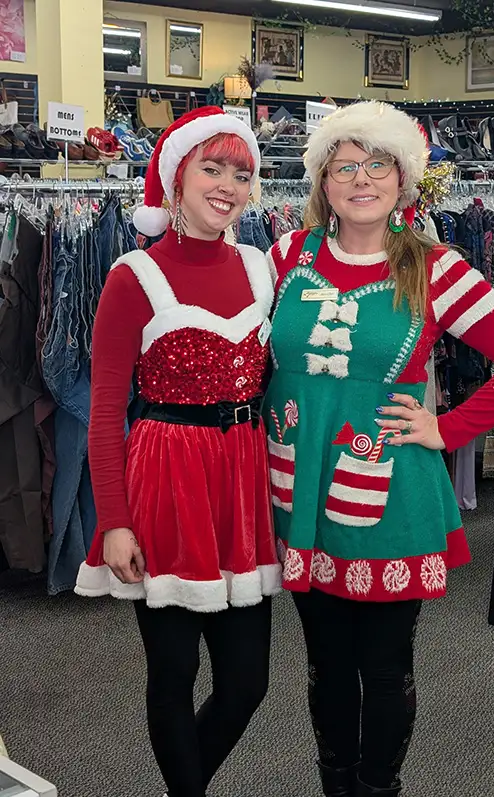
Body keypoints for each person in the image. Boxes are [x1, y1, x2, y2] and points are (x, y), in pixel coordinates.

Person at [265, 101, 494, 797]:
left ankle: (378, 788)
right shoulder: (285, 256)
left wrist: (446, 428)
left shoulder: (436, 269)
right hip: (301, 491)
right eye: (344, 165)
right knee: (324, 663)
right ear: (322, 180)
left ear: (403, 179)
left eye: (377, 165)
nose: (360, 180)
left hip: (390, 495)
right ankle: (336, 782)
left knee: (385, 665)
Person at [75, 106, 281, 797]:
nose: (228, 185)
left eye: (242, 173)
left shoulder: (260, 267)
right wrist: (114, 520)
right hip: (165, 478)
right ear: (176, 178)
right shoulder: (132, 276)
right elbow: (105, 412)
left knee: (247, 681)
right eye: (212, 168)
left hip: (241, 483)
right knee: (172, 672)